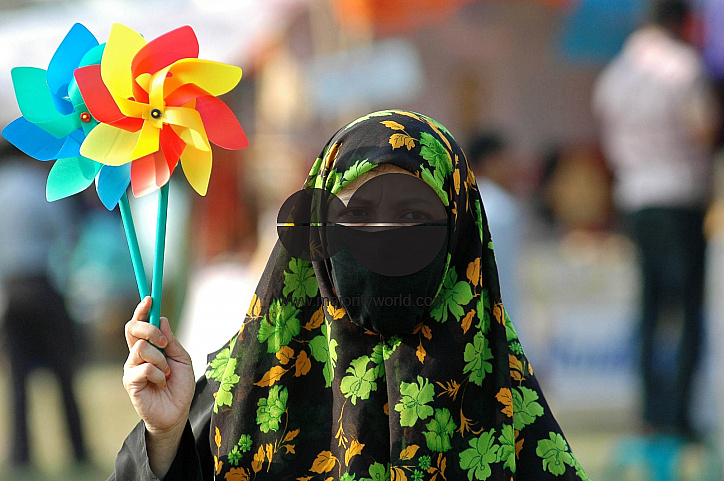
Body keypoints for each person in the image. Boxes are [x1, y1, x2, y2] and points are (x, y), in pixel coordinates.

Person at [110, 110, 589, 480]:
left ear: (459, 234)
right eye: (358, 216)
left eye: (412, 218)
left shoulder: (504, 404)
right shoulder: (240, 388)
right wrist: (165, 435)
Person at [593, 1, 717, 440]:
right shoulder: (684, 68)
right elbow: (702, 129)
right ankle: (678, 415)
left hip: (636, 197)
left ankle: (649, 411)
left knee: (647, 308)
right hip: (679, 197)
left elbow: (607, 138)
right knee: (684, 310)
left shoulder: (614, 75)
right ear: (681, 23)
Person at [0, 143, 88, 469]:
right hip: (43, 286)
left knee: (17, 380)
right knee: (64, 373)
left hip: (10, 291)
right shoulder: (41, 185)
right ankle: (77, 450)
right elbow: (68, 236)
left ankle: (20, 455)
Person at [466, 131, 523, 325]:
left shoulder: (467, 199)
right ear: (491, 161)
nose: (513, 167)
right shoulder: (499, 207)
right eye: (506, 160)